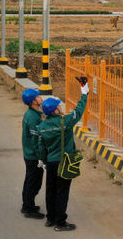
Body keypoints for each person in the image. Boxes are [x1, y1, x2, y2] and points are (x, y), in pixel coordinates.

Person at [36, 82, 89, 231]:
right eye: (59, 106)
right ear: (55, 111)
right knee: (62, 192)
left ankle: (50, 218)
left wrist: (44, 160)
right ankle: (60, 222)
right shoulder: (64, 122)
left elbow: (41, 147)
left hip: (51, 163)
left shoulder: (41, 127)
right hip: (64, 162)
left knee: (50, 190)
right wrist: (84, 93)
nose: (61, 107)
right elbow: (79, 111)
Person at [21, 88, 46, 219]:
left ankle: (26, 204)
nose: (41, 98)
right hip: (33, 156)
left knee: (29, 180)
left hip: (28, 153)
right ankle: (29, 208)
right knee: (34, 182)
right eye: (38, 97)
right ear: (33, 101)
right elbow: (36, 141)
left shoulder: (32, 114)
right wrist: (41, 158)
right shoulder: (33, 118)